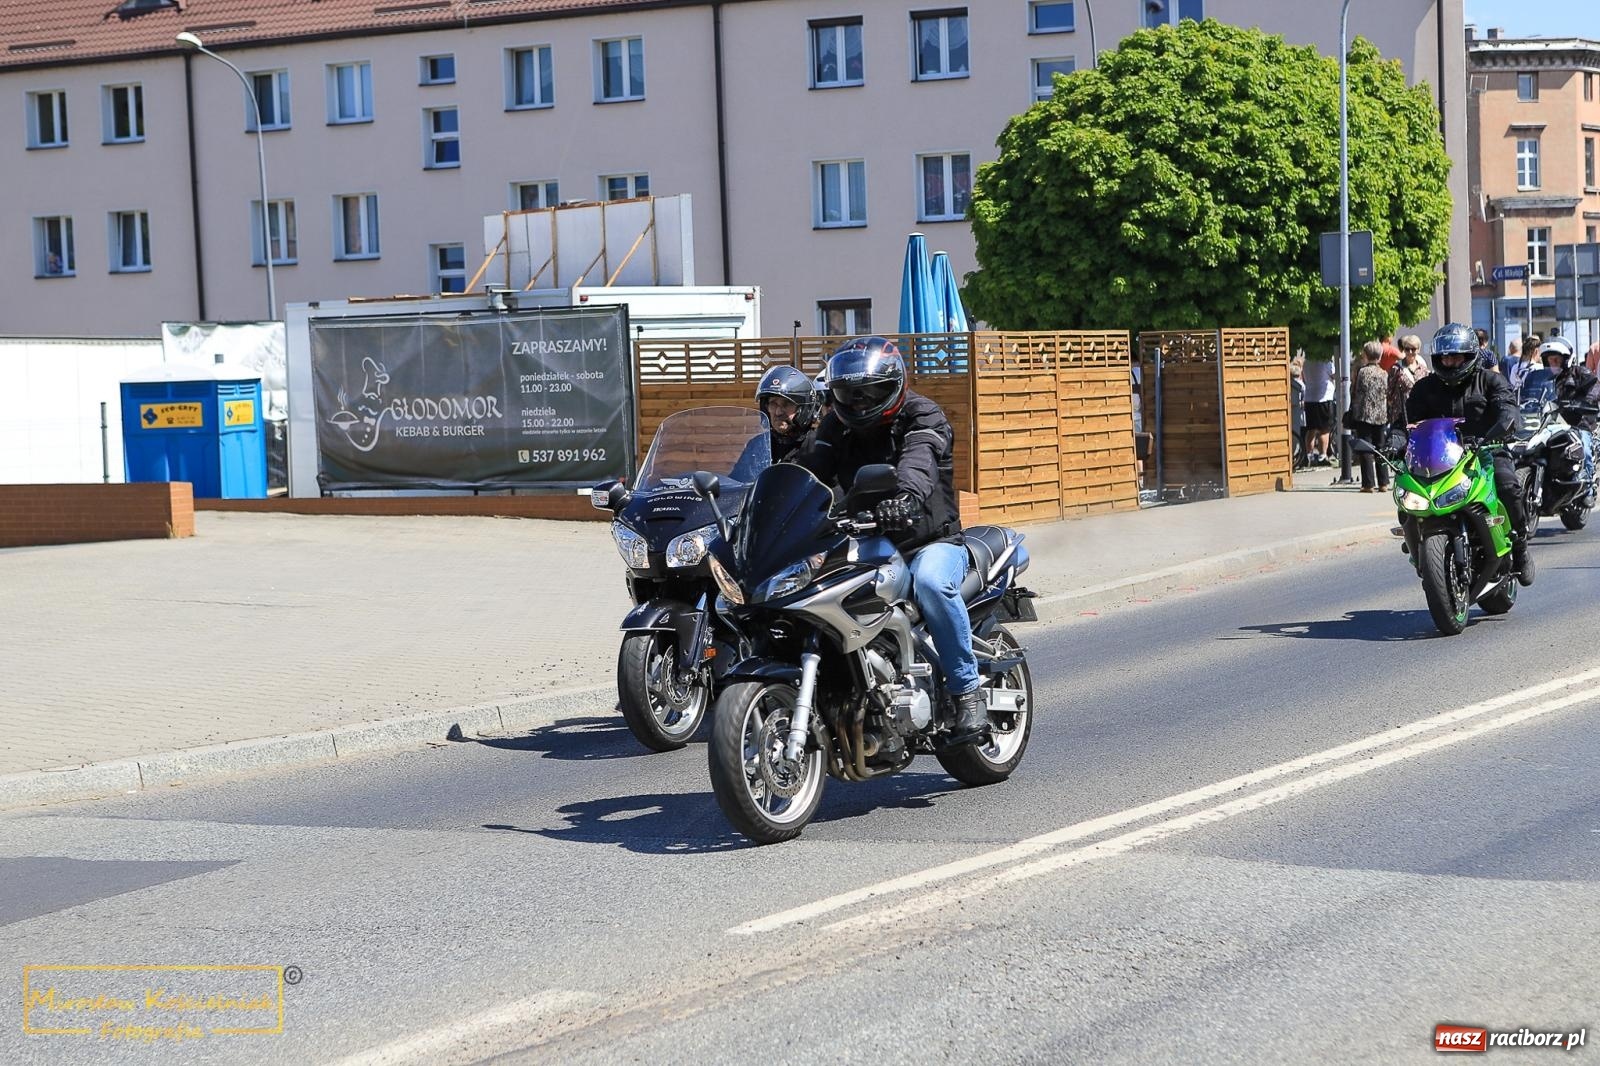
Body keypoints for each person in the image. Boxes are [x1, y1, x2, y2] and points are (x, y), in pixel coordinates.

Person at [797, 336, 987, 745]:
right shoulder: (835, 423)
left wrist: (905, 498)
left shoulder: (924, 415)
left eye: (871, 392)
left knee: (933, 584)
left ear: (894, 384)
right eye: (850, 393)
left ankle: (967, 689)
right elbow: (813, 472)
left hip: (930, 540)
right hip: (867, 538)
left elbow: (919, 462)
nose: (861, 403)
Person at [1406, 323, 1533, 584]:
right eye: (1445, 357)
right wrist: (1395, 440)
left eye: (1456, 356)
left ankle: (1519, 546)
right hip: (1441, 459)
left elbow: (1508, 409)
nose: (1450, 362)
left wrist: (1505, 426)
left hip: (1486, 451)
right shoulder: (1425, 388)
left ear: (1470, 356)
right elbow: (1406, 421)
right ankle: (1418, 548)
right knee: (1407, 494)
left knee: (1508, 485)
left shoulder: (1490, 381)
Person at [1539, 336, 1599, 487]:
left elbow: (1595, 388)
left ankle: (1588, 486)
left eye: (1556, 360)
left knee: (1583, 450)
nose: (1553, 363)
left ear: (1566, 359)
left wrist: (1582, 403)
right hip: (1552, 422)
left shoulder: (1580, 372)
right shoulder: (1544, 378)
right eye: (1550, 360)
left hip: (1578, 423)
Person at [754, 364, 822, 463]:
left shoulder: (817, 446)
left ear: (803, 409)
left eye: (787, 404)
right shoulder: (760, 444)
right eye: (773, 404)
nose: (778, 412)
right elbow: (739, 475)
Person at [1349, 342, 1391, 493]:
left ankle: (1368, 484)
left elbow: (1355, 391)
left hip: (1364, 414)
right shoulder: (1384, 373)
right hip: (1381, 415)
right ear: (1380, 356)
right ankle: (1384, 483)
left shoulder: (1362, 372)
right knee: (1381, 448)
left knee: (1365, 448)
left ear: (1365, 355)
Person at [1302, 355, 1336, 466]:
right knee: (1325, 429)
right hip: (1324, 397)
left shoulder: (1306, 362)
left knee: (1311, 429)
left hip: (1310, 397)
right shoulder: (1325, 361)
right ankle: (1322, 456)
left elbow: (1304, 378)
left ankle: (1309, 456)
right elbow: (1335, 374)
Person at [1387, 335, 1425, 431]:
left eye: (1413, 349)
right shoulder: (1396, 369)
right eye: (1407, 349)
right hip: (1400, 416)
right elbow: (1389, 392)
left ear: (1418, 350)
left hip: (1419, 415)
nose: (1410, 352)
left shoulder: (1423, 370)